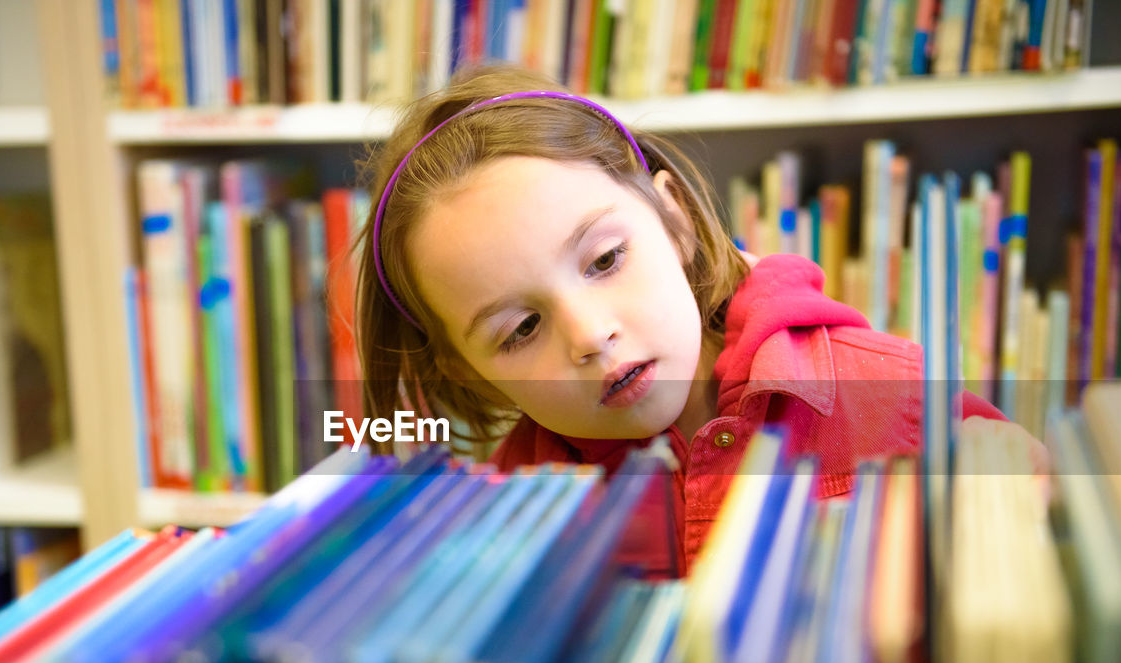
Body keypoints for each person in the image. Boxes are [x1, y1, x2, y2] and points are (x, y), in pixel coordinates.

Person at [353, 64, 1039, 573]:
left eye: (604, 260)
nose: (591, 335)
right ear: (467, 370)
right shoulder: (513, 503)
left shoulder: (892, 395)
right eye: (521, 331)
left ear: (674, 218)